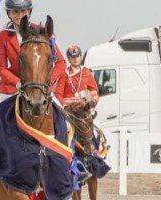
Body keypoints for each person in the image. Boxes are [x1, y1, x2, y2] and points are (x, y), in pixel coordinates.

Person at [0, 0, 66, 178]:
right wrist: (17, 83)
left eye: (23, 11)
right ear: (9, 13)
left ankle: (72, 163)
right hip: (11, 88)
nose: (19, 15)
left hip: (39, 88)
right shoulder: (3, 36)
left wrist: (47, 82)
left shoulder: (42, 33)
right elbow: (2, 69)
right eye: (15, 12)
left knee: (65, 118)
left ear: (29, 11)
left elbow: (61, 62)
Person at [55, 45, 100, 183]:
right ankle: (67, 161)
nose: (75, 59)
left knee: (96, 131)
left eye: (77, 56)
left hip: (84, 108)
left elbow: (94, 90)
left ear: (81, 57)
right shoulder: (64, 73)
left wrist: (92, 101)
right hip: (70, 110)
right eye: (72, 57)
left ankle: (95, 160)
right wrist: (65, 106)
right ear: (69, 58)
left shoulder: (86, 72)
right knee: (67, 129)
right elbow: (58, 93)